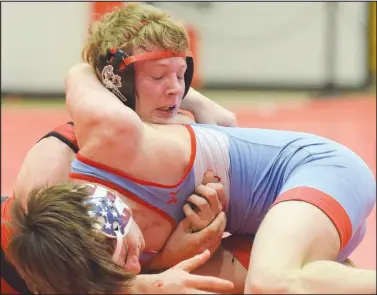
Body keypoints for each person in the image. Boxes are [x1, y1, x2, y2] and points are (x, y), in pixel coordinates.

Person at [7, 61, 376, 295]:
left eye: (132, 257)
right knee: (231, 283)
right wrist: (160, 261)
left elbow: (88, 70)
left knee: (270, 283)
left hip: (314, 171)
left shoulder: (69, 163)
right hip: (289, 216)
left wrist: (189, 96)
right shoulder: (90, 238)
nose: (135, 267)